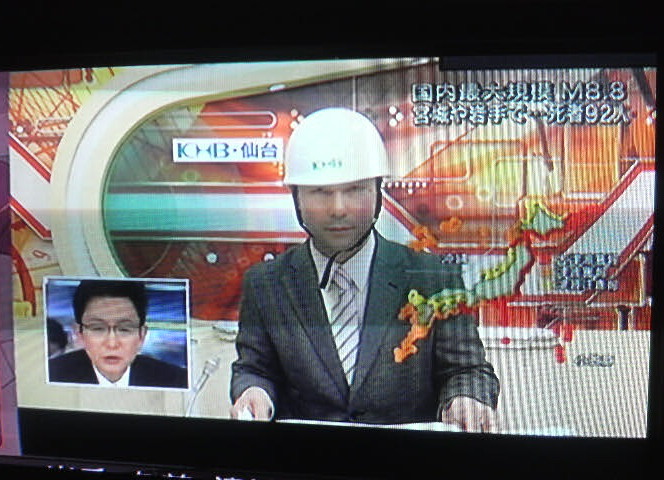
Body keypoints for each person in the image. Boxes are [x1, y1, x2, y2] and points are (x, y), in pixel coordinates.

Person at [230, 108, 499, 432]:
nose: (338, 208)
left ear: (378, 192)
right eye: (320, 192)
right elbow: (255, 368)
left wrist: (466, 398)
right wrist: (253, 392)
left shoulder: (432, 278)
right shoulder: (266, 284)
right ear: (296, 197)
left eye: (355, 189)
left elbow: (468, 370)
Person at [49, 279, 188, 388]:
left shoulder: (176, 380)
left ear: (142, 335)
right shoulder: (52, 374)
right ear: (79, 333)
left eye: (125, 329)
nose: (112, 343)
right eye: (97, 328)